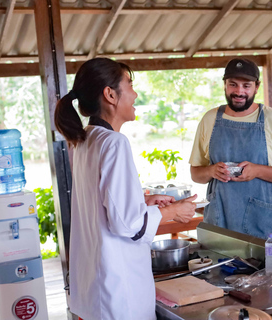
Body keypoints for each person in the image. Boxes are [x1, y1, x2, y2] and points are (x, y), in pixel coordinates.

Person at [54, 57, 197, 320]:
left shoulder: (86, 139)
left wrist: (143, 201)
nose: (135, 93)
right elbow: (127, 224)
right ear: (110, 94)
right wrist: (173, 211)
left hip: (95, 289)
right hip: (118, 295)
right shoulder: (114, 143)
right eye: (129, 84)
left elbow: (101, 205)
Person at [189, 58, 272, 242]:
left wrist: (256, 171)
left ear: (256, 87)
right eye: (233, 84)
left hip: (263, 227)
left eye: (246, 85)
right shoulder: (209, 119)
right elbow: (196, 174)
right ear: (225, 85)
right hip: (219, 225)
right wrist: (211, 171)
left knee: (266, 271)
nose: (239, 91)